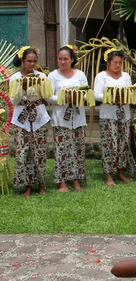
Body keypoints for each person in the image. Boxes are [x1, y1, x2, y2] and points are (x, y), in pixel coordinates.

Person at [9, 46, 51, 197]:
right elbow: (13, 101)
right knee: (23, 152)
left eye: (34, 61)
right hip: (21, 118)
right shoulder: (15, 78)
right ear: (22, 61)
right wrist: (23, 88)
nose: (32, 64)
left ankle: (41, 184)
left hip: (39, 117)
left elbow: (47, 95)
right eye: (29, 61)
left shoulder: (41, 76)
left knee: (39, 151)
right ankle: (27, 185)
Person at [48, 45, 89, 192]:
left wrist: (77, 96)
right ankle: (62, 181)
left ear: (72, 59)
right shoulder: (52, 76)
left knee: (77, 149)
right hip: (61, 118)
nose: (63, 61)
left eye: (66, 59)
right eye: (60, 59)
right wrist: (64, 97)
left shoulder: (80, 75)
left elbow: (86, 93)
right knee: (62, 150)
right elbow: (48, 96)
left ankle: (76, 180)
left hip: (78, 117)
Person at [94, 49, 136, 186]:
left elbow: (130, 92)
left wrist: (127, 97)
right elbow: (96, 95)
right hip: (108, 115)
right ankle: (108, 175)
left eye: (120, 62)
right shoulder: (101, 76)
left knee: (123, 143)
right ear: (108, 62)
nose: (117, 65)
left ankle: (121, 172)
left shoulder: (126, 76)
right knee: (110, 144)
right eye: (115, 62)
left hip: (124, 114)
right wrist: (113, 96)